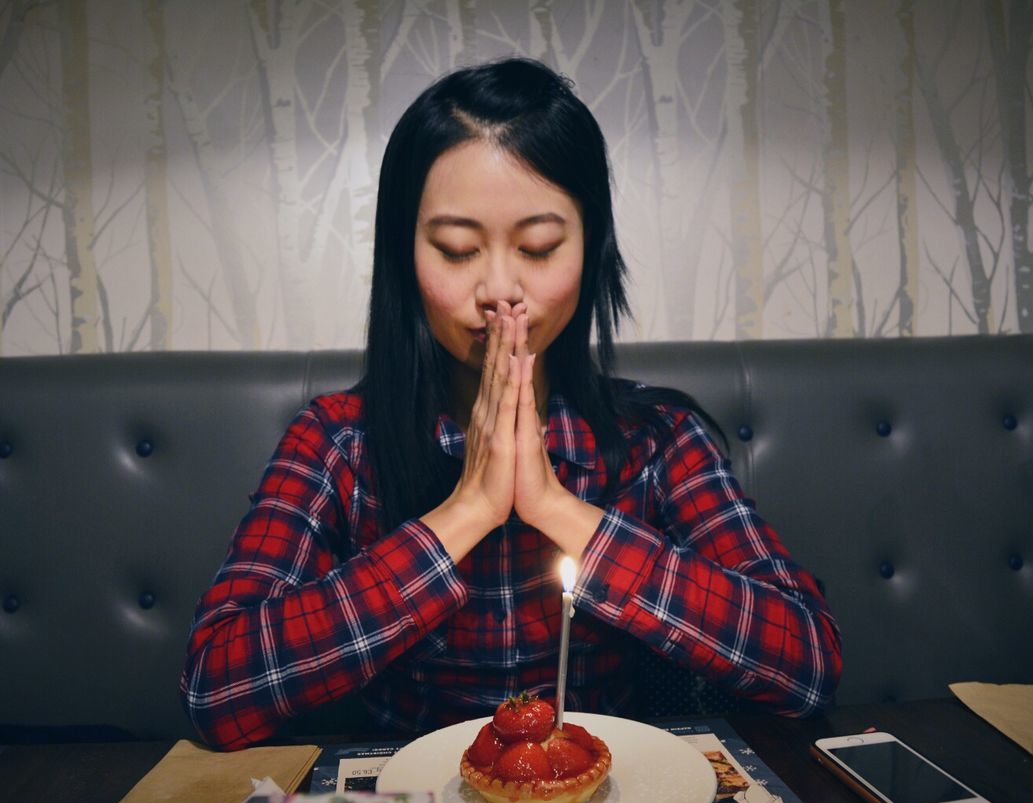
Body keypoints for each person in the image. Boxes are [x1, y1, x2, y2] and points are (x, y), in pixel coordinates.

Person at [180, 57, 841, 751]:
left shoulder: (658, 440)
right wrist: (465, 512)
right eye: (459, 250)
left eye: (538, 246)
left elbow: (808, 665)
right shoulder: (337, 443)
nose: (500, 288)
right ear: (407, 259)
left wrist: (558, 507)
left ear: (590, 252)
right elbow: (214, 691)